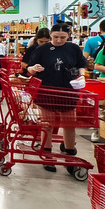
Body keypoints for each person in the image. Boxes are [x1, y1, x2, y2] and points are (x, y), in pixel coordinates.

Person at [26, 23, 87, 173]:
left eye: (63, 37)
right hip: (47, 89)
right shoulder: (42, 49)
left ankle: (70, 152)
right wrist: (33, 69)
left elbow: (81, 64)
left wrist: (83, 76)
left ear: (69, 36)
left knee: (69, 123)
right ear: (51, 35)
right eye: (56, 37)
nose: (59, 40)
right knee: (48, 124)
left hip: (68, 90)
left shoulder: (73, 48)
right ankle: (47, 154)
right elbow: (29, 67)